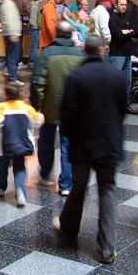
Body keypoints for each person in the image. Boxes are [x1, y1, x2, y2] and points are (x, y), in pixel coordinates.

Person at [53, 35, 126, 265]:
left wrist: (70, 135)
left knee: (79, 187)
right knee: (107, 191)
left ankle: (69, 227)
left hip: (83, 142)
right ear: (103, 50)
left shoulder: (77, 76)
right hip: (109, 142)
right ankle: (106, 247)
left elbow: (68, 112)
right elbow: (123, 108)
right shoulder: (118, 75)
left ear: (85, 50)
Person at [31, 20, 85, 197]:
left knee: (46, 139)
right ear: (71, 35)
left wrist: (37, 106)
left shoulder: (47, 53)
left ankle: (45, 172)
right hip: (73, 108)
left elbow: (38, 81)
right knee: (68, 144)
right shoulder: (80, 55)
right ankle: (66, 183)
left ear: (56, 34)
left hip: (49, 105)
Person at [0, 82, 44, 207]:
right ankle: (20, 190)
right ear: (20, 95)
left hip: (5, 144)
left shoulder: (0, 107)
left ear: (5, 94)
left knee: (2, 166)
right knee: (19, 167)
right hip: (22, 144)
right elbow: (37, 122)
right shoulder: (27, 108)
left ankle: (1, 187)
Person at [109, 0, 138, 114]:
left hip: (127, 54)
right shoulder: (113, 19)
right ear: (116, 5)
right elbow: (118, 36)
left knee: (127, 81)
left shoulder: (126, 18)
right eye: (121, 4)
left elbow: (136, 32)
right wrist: (128, 32)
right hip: (117, 54)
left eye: (125, 5)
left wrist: (128, 31)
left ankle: (125, 105)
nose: (124, 7)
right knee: (115, 81)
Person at [0, 0, 24, 85]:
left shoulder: (9, 4)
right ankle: (12, 78)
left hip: (12, 33)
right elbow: (9, 20)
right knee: (13, 56)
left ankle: (12, 76)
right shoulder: (8, 5)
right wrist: (13, 34)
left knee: (12, 56)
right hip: (12, 34)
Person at [27, 0, 44, 68]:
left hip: (35, 28)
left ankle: (32, 61)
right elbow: (33, 19)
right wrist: (35, 26)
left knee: (34, 45)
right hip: (35, 29)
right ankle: (32, 62)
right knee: (34, 46)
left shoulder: (35, 6)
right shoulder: (35, 7)